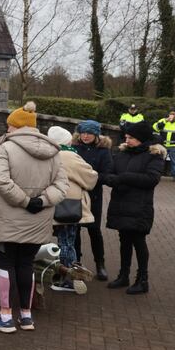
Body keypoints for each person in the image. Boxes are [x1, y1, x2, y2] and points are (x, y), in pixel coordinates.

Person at [0, 102, 68, 333]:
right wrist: (42, 201)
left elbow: (1, 181)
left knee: (5, 264)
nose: (7, 129)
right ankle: (26, 317)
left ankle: (5, 316)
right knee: (26, 264)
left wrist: (24, 201)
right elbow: (62, 185)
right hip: (37, 220)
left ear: (15, 127)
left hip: (8, 217)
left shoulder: (6, 148)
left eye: (9, 125)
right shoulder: (54, 152)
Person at [103, 121, 165, 295]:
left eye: (131, 137)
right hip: (121, 203)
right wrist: (111, 179)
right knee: (124, 240)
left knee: (138, 241)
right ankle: (124, 275)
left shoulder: (154, 155)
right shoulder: (122, 153)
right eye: (127, 137)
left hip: (140, 207)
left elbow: (152, 179)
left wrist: (124, 178)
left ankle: (142, 279)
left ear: (142, 139)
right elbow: (111, 173)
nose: (126, 139)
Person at [46, 126, 98, 294]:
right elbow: (91, 178)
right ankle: (71, 278)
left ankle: (64, 274)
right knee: (67, 242)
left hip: (51, 203)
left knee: (61, 241)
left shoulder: (47, 154)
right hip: (70, 204)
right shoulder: (69, 155)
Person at [72, 120, 113, 280]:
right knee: (74, 230)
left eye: (89, 133)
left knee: (94, 230)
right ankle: (76, 263)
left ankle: (100, 264)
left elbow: (107, 174)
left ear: (96, 135)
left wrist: (90, 178)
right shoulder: (74, 148)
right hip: (75, 195)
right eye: (83, 133)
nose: (85, 136)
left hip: (93, 196)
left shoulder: (103, 152)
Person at [152, 109, 175, 181]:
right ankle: (157, 176)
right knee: (160, 161)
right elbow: (155, 128)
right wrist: (165, 121)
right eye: (170, 114)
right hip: (163, 146)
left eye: (173, 114)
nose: (171, 115)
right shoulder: (163, 120)